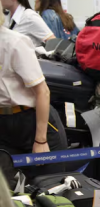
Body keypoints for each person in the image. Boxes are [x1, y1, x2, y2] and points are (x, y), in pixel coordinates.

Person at [0, 9, 64, 179]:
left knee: (49, 185)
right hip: (4, 123)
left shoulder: (14, 42)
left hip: (32, 119)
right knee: (12, 192)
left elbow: (42, 91)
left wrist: (41, 140)